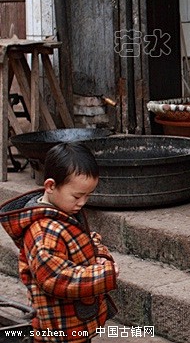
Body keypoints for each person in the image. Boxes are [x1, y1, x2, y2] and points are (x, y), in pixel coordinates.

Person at [0, 142, 119, 343]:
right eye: (77, 196)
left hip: (74, 322)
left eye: (88, 195)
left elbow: (87, 240)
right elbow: (56, 278)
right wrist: (103, 274)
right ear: (51, 186)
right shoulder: (44, 231)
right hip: (58, 329)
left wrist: (99, 256)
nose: (82, 202)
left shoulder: (64, 213)